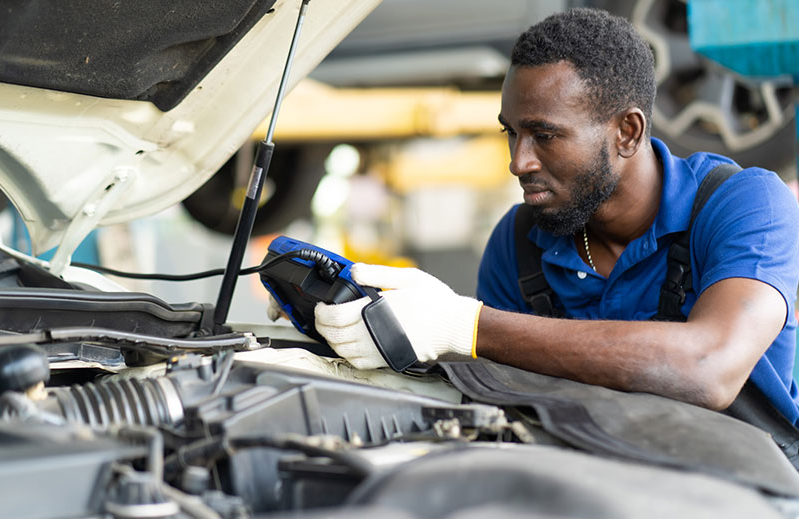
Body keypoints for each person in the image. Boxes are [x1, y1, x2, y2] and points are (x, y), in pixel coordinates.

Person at [313, 7, 799, 425]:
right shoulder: (519, 242)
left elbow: (710, 368)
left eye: (544, 136)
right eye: (511, 133)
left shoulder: (744, 205)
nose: (518, 162)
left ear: (627, 132)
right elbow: (502, 407)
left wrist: (465, 326)